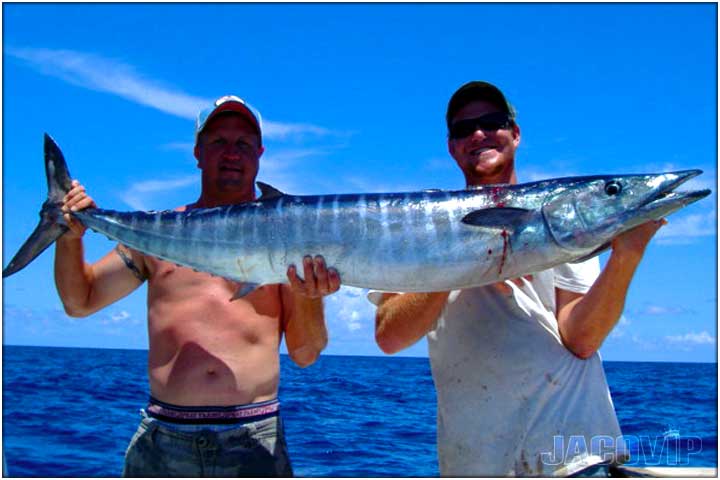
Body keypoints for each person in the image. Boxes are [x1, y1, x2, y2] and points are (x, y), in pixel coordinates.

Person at [372, 81, 666, 477]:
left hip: (571, 458)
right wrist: (457, 257)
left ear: (515, 133)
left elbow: (581, 338)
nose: (478, 134)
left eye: (492, 122)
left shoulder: (563, 220)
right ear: (451, 145)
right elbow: (390, 337)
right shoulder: (417, 225)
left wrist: (628, 254)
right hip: (476, 463)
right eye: (463, 129)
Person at [55, 95, 340, 477]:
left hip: (253, 441)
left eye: (243, 144)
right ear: (198, 153)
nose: (231, 153)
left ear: (259, 154)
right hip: (162, 440)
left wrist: (309, 297)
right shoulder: (154, 235)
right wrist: (69, 237)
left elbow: (305, 354)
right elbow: (80, 301)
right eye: (218, 142)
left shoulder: (287, 238)